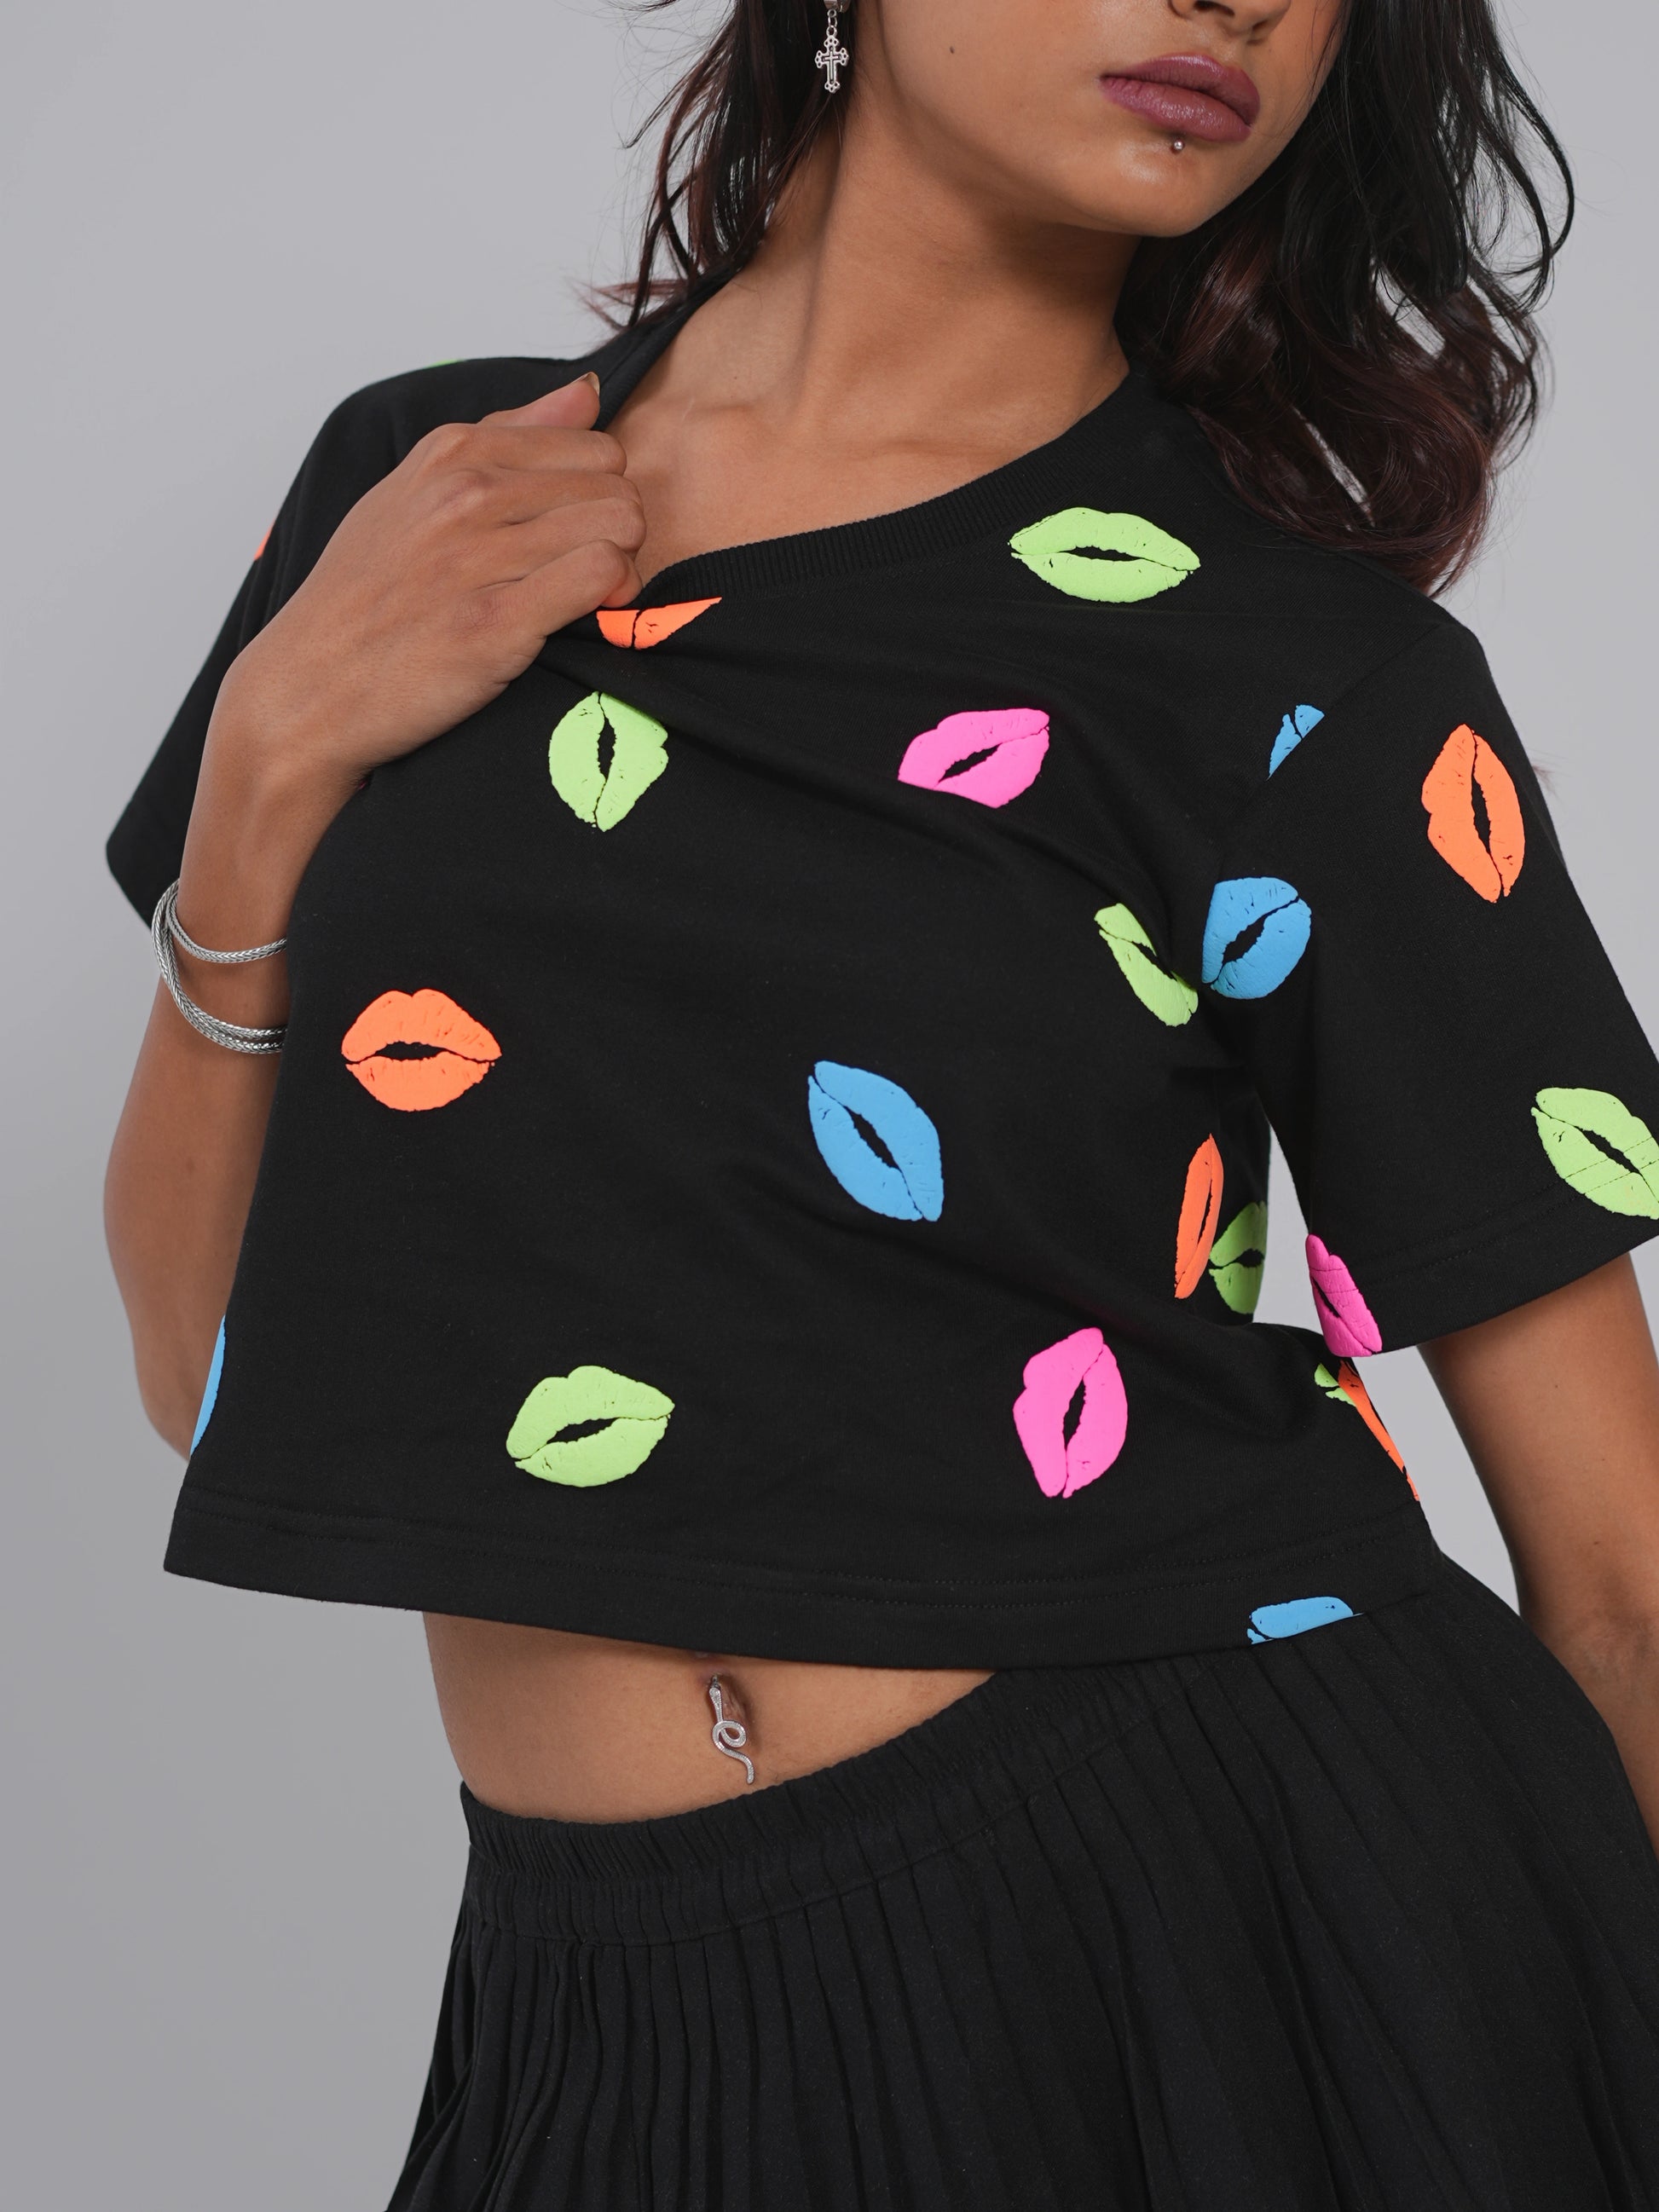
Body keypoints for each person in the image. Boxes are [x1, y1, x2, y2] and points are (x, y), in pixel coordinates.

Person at [103, 0, 1659, 2201]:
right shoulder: (432, 490)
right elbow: (208, 1366)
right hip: (600, 1993)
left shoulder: (1309, 676)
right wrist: (267, 759)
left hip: (1216, 1914)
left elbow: (1619, 1574)